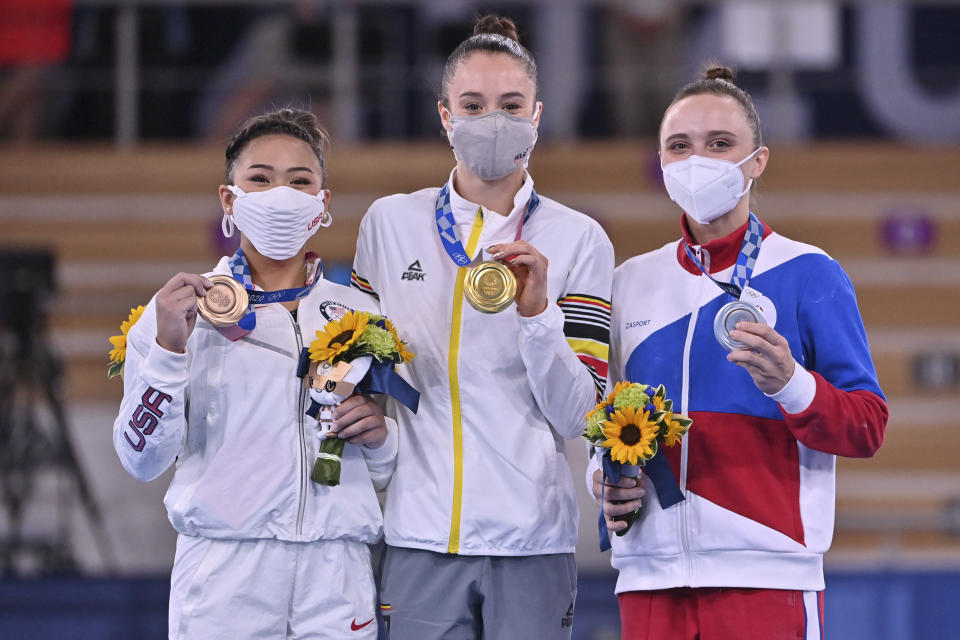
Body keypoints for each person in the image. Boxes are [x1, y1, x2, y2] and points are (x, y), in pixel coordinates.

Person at [591, 66, 888, 639]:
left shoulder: (810, 274)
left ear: (759, 161)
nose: (697, 159)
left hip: (767, 576)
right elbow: (604, 421)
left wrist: (790, 383)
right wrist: (602, 484)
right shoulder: (629, 282)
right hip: (649, 579)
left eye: (720, 144)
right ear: (661, 163)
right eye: (680, 146)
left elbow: (867, 427)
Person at [350, 14, 614, 640]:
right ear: (445, 115)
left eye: (510, 104)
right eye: (473, 104)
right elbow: (357, 376)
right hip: (417, 533)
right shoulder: (389, 225)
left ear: (537, 116)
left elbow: (578, 417)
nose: (492, 120)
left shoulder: (579, 240)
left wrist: (539, 316)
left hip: (532, 540)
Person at [112, 108, 395, 639]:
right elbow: (140, 459)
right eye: (260, 179)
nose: (279, 194)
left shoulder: (361, 316)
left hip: (336, 574)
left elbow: (386, 472)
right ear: (229, 199)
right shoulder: (177, 312)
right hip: (226, 575)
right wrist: (171, 351)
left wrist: (381, 439)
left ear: (322, 204)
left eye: (299, 181)